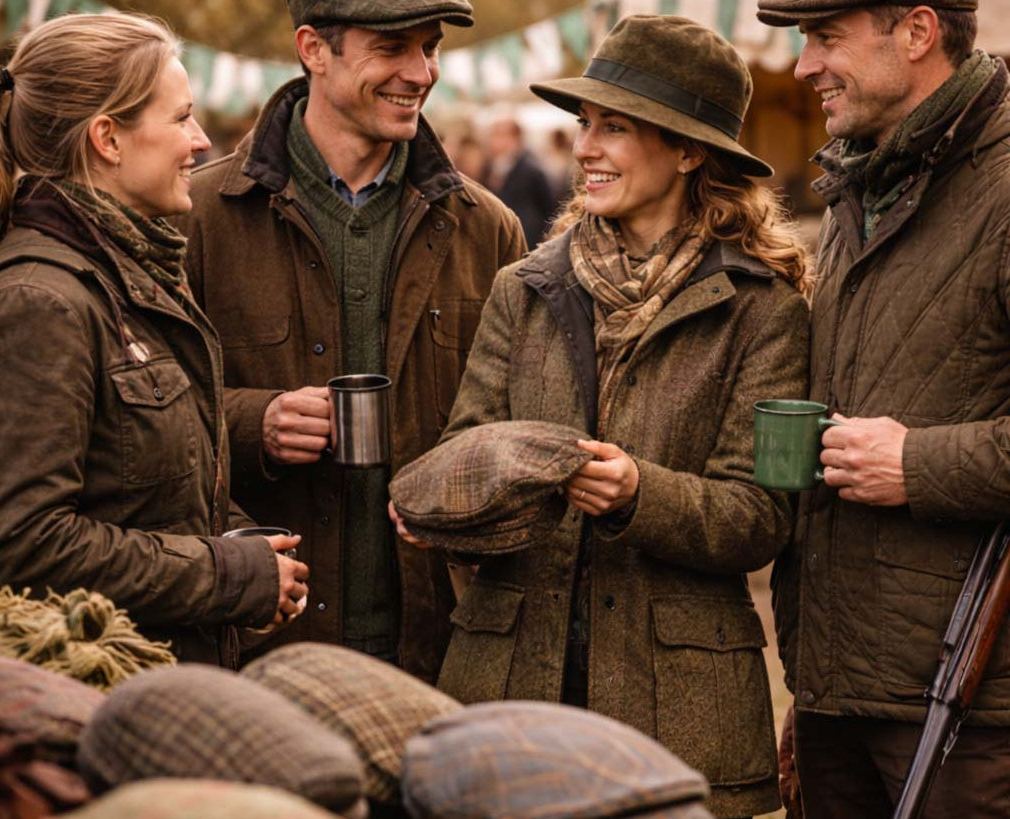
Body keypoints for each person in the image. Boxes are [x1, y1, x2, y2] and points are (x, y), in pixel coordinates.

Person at [392, 15, 810, 818]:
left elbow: (764, 514)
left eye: (614, 127)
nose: (585, 146)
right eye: (585, 124)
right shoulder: (525, 287)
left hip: (680, 702)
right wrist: (455, 497)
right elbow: (462, 446)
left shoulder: (765, 309)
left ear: (689, 150)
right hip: (511, 674)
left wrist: (637, 494)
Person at [175, 0, 526, 680]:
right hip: (254, 654)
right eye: (393, 48)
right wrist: (255, 423)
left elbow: (520, 426)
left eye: (429, 48)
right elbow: (142, 435)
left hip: (440, 654)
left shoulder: (491, 230)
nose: (421, 73)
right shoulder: (197, 220)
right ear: (314, 49)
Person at [0, 13, 307, 667]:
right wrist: (225, 573)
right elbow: (20, 545)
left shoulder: (134, 270)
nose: (198, 141)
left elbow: (145, 489)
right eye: (181, 119)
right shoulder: (41, 301)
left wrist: (250, 553)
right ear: (108, 137)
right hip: (95, 709)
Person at [754, 1, 1010, 817]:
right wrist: (815, 682)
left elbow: (909, 444)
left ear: (917, 31)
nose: (803, 67)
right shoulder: (859, 183)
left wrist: (918, 463)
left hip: (968, 711)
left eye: (826, 38)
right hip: (841, 695)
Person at [483, 116, 559, 249]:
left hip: (526, 239)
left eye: (501, 135)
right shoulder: (490, 167)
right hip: (502, 238)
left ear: (516, 138)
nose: (495, 140)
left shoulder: (532, 169)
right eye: (494, 134)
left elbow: (549, 208)